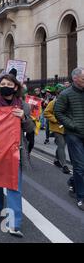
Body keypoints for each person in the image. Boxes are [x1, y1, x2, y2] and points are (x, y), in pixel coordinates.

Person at [0, 74, 35, 238]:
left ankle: (14, 224)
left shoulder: (24, 106)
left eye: (9, 83)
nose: (5, 86)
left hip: (14, 150)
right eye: (2, 83)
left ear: (15, 87)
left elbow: (31, 129)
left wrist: (23, 118)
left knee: (14, 186)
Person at [54, 67, 84, 211]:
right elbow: (58, 112)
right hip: (74, 135)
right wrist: (73, 125)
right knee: (79, 166)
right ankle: (81, 198)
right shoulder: (66, 94)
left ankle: (73, 182)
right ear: (75, 79)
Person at [44, 84, 70, 174]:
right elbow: (46, 113)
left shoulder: (68, 103)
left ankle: (56, 159)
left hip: (66, 128)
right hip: (56, 128)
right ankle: (64, 165)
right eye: (60, 93)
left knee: (61, 146)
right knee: (62, 145)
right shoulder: (53, 103)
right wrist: (56, 120)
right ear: (58, 94)